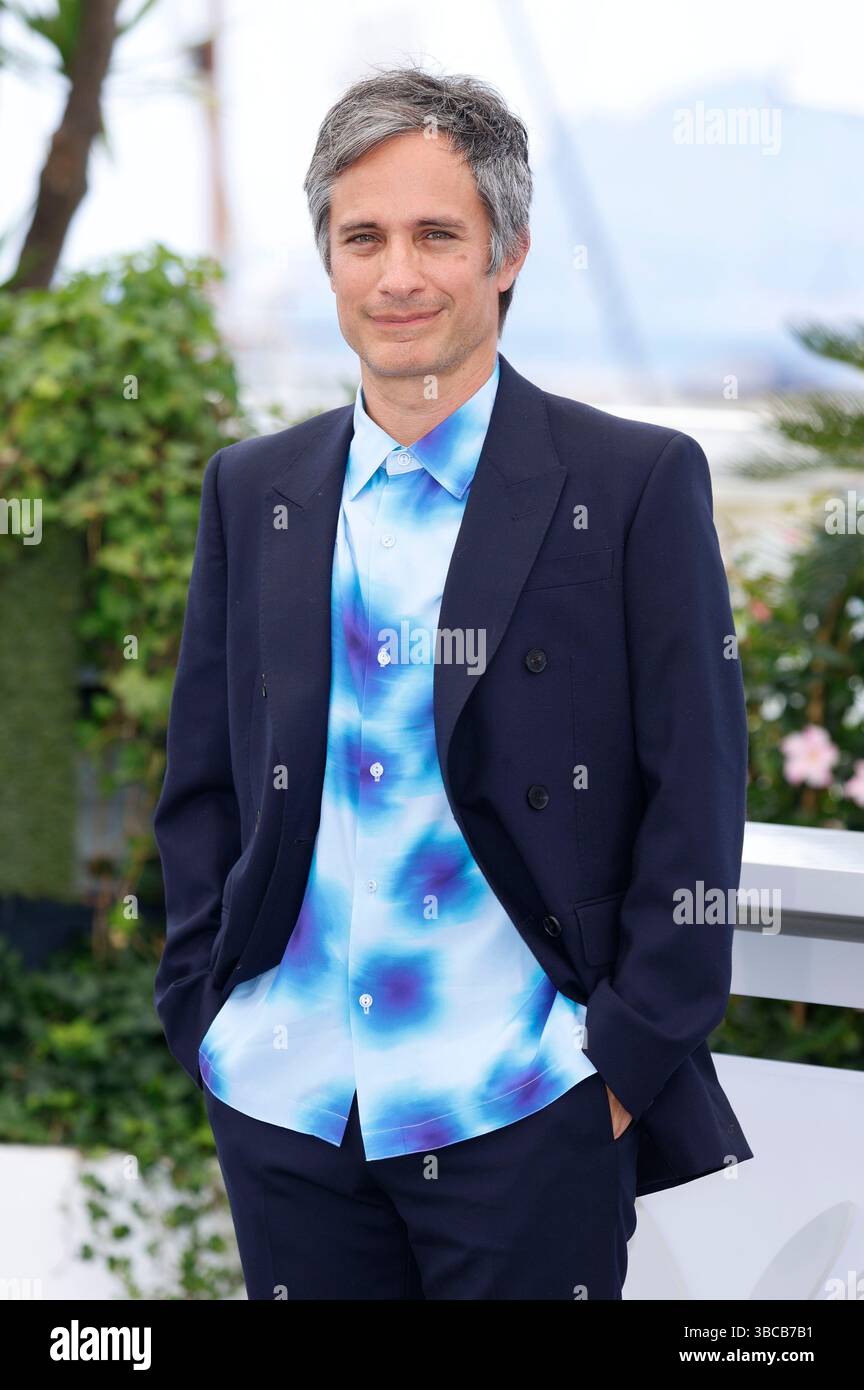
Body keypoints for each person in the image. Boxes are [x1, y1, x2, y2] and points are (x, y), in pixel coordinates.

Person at [153, 64, 753, 1301]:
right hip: (292, 1097)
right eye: (362, 236)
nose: (398, 274)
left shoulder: (634, 481)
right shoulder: (253, 488)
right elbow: (204, 778)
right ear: (325, 257)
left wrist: (628, 1062)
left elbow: (697, 789)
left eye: (438, 233)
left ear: (509, 251)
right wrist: (205, 1017)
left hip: (526, 1104)